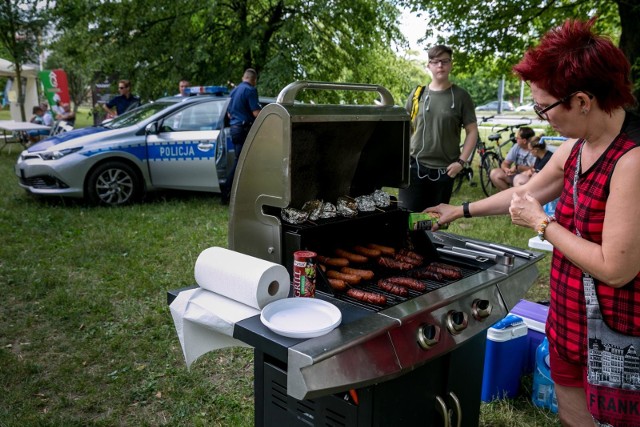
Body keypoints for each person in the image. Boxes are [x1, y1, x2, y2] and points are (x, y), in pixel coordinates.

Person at [424, 18, 640, 427]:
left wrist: (543, 225)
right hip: (568, 315)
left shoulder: (632, 160)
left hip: (619, 331)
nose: (542, 119)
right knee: (572, 414)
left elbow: (617, 267)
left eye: (545, 107)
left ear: (581, 101)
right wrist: (460, 211)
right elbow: (524, 195)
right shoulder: (577, 146)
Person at [399, 45, 478, 212]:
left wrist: (461, 162)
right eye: (435, 62)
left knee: (435, 222)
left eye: (444, 61)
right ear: (428, 65)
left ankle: (428, 239)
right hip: (414, 168)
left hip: (445, 171)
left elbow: (472, 131)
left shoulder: (461, 96)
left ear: (451, 64)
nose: (440, 66)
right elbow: (404, 127)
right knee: (407, 218)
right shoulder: (417, 94)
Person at [221, 68, 262, 205]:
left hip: (235, 129)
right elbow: (256, 113)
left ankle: (236, 193)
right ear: (254, 80)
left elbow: (228, 114)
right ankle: (226, 194)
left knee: (241, 161)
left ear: (243, 77)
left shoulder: (233, 91)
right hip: (244, 129)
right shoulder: (250, 90)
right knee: (241, 163)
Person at [489, 126, 536, 191]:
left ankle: (515, 196)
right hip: (515, 175)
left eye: (517, 138)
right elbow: (505, 163)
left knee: (518, 178)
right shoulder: (517, 146)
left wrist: (518, 168)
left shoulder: (535, 149)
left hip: (529, 178)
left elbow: (536, 169)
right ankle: (508, 196)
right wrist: (506, 169)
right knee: (494, 173)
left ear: (524, 141)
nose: (515, 139)